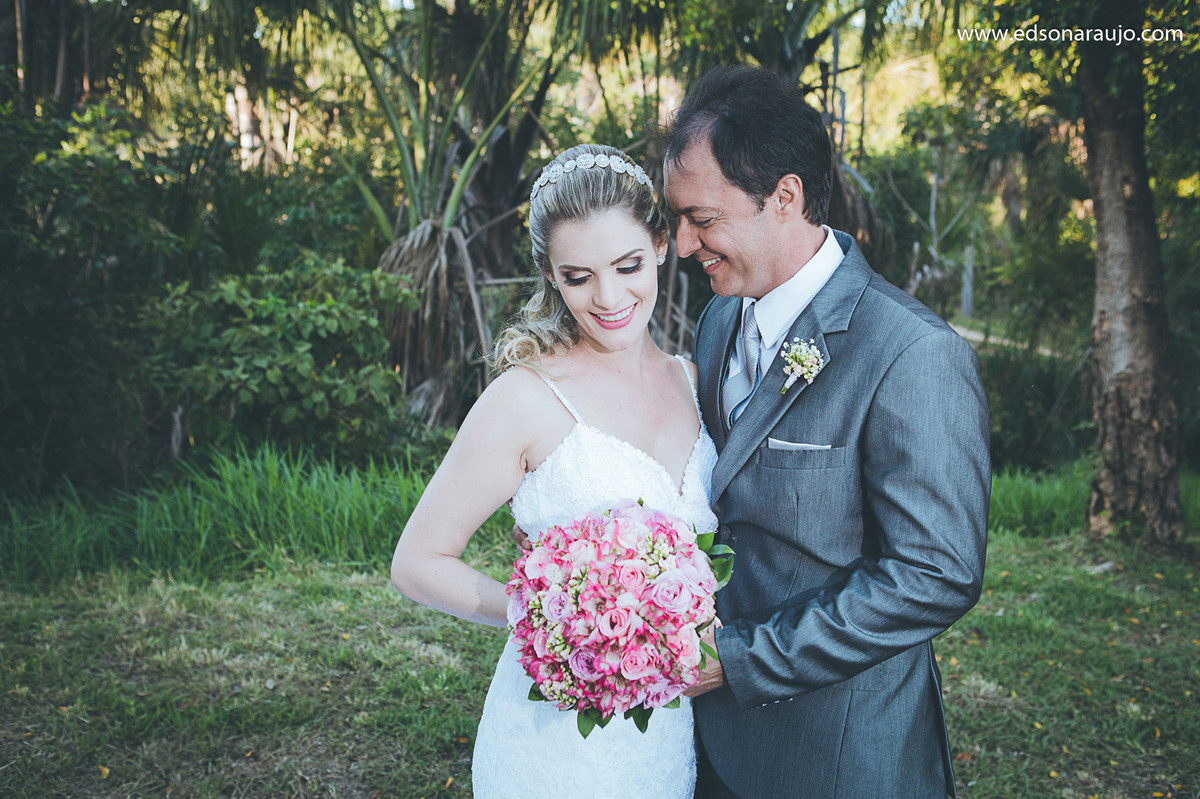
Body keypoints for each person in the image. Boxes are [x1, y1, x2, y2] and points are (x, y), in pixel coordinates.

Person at [663, 66, 990, 798]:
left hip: (839, 755)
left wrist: (741, 657)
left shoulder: (912, 353)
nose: (683, 245)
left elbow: (936, 573)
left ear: (786, 197)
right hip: (708, 742)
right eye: (678, 218)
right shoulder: (719, 322)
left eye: (703, 218)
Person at [390, 144, 718, 798]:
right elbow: (417, 560)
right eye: (578, 276)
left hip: (669, 733)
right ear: (550, 273)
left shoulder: (699, 379)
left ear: (659, 244)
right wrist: (544, 616)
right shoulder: (525, 398)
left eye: (627, 265)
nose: (609, 297)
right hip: (552, 747)